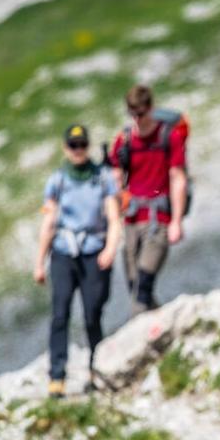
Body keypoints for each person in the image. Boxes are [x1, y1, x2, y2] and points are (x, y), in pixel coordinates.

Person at [34, 123, 122, 399]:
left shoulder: (103, 178)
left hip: (94, 251)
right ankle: (57, 374)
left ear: (88, 146)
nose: (78, 151)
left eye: (82, 145)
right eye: (73, 146)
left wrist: (110, 248)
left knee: (92, 312)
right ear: (65, 148)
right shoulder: (58, 181)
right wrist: (39, 262)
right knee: (60, 313)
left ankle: (98, 367)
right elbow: (49, 222)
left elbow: (114, 217)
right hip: (63, 253)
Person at [109, 84, 188, 314]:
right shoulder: (124, 141)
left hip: (158, 220)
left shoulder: (169, 137)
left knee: (142, 287)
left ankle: (141, 336)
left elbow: (178, 178)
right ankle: (159, 324)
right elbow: (115, 180)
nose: (136, 119)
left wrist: (176, 221)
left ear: (151, 108)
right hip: (132, 220)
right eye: (132, 114)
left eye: (140, 113)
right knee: (136, 287)